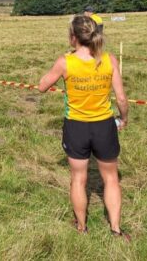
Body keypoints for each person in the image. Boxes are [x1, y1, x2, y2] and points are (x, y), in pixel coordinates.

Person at [38, 15, 130, 240]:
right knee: (111, 178)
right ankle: (116, 229)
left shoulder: (65, 61)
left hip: (76, 127)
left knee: (78, 178)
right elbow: (121, 98)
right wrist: (123, 119)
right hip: (104, 126)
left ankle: (81, 227)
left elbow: (42, 86)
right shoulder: (109, 59)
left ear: (73, 37)